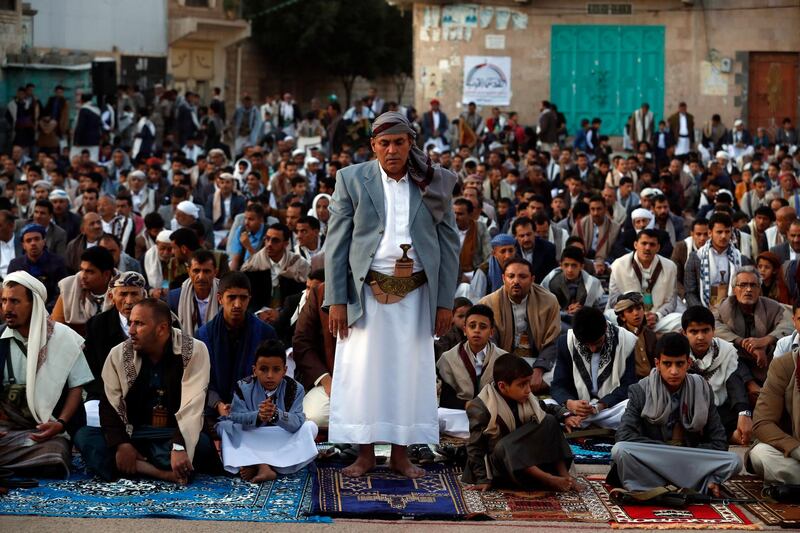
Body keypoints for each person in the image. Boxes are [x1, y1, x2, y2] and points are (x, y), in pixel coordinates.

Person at [324, 110, 460, 478]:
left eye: (399, 142)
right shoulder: (352, 179)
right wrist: (336, 299)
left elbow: (449, 245)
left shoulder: (434, 182)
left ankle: (401, 455)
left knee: (409, 373)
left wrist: (445, 302)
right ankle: (365, 454)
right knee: (364, 373)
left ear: (410, 143)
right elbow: (336, 243)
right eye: (384, 143)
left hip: (416, 295)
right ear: (373, 146)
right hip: (365, 292)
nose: (392, 150)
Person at [80, 299, 222, 482]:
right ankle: (163, 473)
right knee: (85, 437)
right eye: (130, 322)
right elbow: (109, 404)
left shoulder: (193, 350)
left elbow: (193, 405)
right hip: (134, 434)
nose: (131, 330)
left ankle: (136, 467)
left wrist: (179, 447)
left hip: (174, 433)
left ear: (162, 329)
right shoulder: (119, 354)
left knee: (201, 445)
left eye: (138, 324)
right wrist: (122, 444)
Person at [610, 333, 741, 496]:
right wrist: (666, 450)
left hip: (688, 456)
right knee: (620, 450)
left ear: (689, 363)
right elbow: (623, 435)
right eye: (667, 364)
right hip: (655, 457)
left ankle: (657, 485)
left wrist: (685, 452)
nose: (674, 371)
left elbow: (719, 441)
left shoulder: (702, 389)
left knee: (735, 461)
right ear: (657, 363)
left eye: (680, 364)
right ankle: (697, 484)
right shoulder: (640, 390)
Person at [0, 271, 91, 477]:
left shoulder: (64, 338)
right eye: (4, 301)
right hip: (7, 429)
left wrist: (60, 424)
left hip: (45, 431)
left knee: (55, 454)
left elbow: (77, 388)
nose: (7, 308)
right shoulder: (0, 337)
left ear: (34, 304)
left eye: (15, 301)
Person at [462, 354, 582, 491]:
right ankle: (548, 479)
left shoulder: (526, 397)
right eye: (522, 385)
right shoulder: (480, 407)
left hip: (527, 457)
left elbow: (546, 407)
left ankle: (565, 476)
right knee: (505, 446)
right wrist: (482, 479)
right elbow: (474, 447)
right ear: (502, 386)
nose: (528, 390)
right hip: (502, 467)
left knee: (548, 420)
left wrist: (565, 415)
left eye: (528, 382)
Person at [216, 339, 318, 481]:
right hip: (254, 435)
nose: (270, 375)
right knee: (226, 427)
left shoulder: (295, 388)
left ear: (285, 370)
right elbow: (236, 416)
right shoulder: (243, 386)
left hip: (283, 436)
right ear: (255, 370)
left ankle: (256, 463)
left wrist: (276, 415)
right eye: (264, 369)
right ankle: (264, 465)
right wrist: (258, 416)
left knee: (310, 427)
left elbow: (297, 422)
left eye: (276, 369)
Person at [196, 272, 276, 425]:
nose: (238, 304)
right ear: (220, 299)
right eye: (231, 297)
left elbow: (272, 377)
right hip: (214, 411)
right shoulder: (203, 336)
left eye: (243, 298)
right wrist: (218, 404)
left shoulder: (266, 333)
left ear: (249, 299)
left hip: (257, 409)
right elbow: (201, 381)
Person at [480, 258, 561, 393]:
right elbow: (489, 345)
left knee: (564, 368)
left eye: (522, 276)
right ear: (503, 278)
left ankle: (516, 388)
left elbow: (552, 341)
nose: (516, 281)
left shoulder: (548, 301)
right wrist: (506, 369)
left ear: (532, 279)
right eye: (511, 276)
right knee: (484, 374)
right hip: (503, 362)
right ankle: (524, 388)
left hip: (538, 361)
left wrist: (539, 370)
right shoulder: (488, 303)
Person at [713, 266, 793, 398]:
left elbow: (789, 323)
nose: (748, 289)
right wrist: (744, 343)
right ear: (734, 289)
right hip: (738, 362)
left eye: (753, 285)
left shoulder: (772, 306)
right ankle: (750, 386)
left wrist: (765, 341)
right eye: (743, 285)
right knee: (726, 351)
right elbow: (714, 325)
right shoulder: (724, 306)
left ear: (759, 289)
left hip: (766, 361)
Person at [552, 306, 637, 429]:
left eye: (597, 343)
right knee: (545, 404)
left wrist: (600, 406)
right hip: (576, 408)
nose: (592, 349)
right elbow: (558, 385)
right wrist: (570, 403)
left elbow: (628, 385)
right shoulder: (566, 342)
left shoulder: (625, 341)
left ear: (605, 328)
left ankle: (578, 422)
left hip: (610, 407)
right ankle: (579, 419)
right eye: (587, 345)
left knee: (632, 406)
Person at [681, 305, 752, 445]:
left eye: (705, 330)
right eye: (693, 332)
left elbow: (735, 386)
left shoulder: (726, 351)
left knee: (736, 417)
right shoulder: (679, 353)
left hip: (720, 411)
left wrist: (744, 414)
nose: (700, 337)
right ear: (684, 333)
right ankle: (729, 438)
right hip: (687, 411)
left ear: (713, 331)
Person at [608, 229, 682, 333]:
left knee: (679, 320)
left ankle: (643, 333)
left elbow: (671, 301)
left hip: (656, 318)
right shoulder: (618, 265)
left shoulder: (670, 267)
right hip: (628, 317)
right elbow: (613, 300)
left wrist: (656, 316)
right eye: (644, 243)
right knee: (608, 316)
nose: (647, 248)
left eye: (652, 244)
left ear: (658, 248)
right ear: (635, 245)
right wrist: (633, 314)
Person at [437, 304, 508, 410]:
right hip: (459, 412)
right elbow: (445, 398)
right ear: (465, 330)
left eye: (483, 327)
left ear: (491, 332)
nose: (477, 330)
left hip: (494, 411)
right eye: (472, 326)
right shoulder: (448, 359)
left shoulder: (504, 358)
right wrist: (467, 405)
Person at [748, 343, 800, 485]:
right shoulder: (785, 365)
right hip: (793, 452)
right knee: (761, 454)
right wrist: (796, 449)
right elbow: (762, 423)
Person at [685, 213, 751, 311]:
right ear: (710, 233)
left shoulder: (741, 259)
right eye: (719, 232)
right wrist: (701, 312)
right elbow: (690, 292)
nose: (724, 236)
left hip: (734, 310)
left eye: (727, 232)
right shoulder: (696, 257)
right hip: (702, 310)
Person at [292, 281, 336, 429]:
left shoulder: (378, 291)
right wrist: (326, 380)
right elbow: (301, 342)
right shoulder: (321, 292)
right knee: (313, 416)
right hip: (330, 380)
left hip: (371, 383)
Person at [240, 223, 309, 314]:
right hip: (257, 314)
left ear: (285, 244)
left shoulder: (298, 264)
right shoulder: (253, 265)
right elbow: (248, 299)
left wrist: (281, 313)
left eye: (275, 241)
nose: (269, 244)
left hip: (290, 315)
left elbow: (303, 297)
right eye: (267, 239)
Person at [51, 246, 114, 336]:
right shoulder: (69, 288)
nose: (83, 276)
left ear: (106, 275)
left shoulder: (123, 290)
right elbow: (55, 328)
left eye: (90, 272)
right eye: (82, 270)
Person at [7, 223, 68, 312]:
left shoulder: (58, 263)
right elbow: (10, 292)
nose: (33, 243)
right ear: (23, 245)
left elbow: (61, 292)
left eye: (37, 239)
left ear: (44, 241)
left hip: (51, 311)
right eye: (28, 240)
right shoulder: (15, 265)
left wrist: (43, 311)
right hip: (22, 311)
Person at [540, 245, 604, 328]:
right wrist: (566, 312)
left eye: (574, 265)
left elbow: (596, 309)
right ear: (561, 265)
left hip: (585, 319)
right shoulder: (552, 282)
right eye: (566, 265)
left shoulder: (592, 283)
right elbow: (546, 309)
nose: (569, 270)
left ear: (581, 266)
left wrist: (582, 310)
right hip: (559, 319)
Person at [167, 249, 219, 336]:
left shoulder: (225, 296)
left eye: (206, 271)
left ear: (215, 272)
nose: (201, 277)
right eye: (196, 271)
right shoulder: (175, 297)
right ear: (188, 271)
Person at [613, 292, 658, 379]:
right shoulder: (619, 337)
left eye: (639, 308)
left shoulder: (651, 335)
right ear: (623, 317)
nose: (636, 313)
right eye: (630, 311)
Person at [572, 195, 620, 267]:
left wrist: (603, 263)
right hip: (582, 263)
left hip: (606, 264)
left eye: (599, 209)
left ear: (605, 209)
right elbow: (573, 249)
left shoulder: (615, 227)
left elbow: (616, 253)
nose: (595, 213)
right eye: (592, 209)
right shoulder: (579, 225)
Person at [468, 233, 517, 301]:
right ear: (494, 253)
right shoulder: (484, 271)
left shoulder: (521, 268)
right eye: (503, 251)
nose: (508, 256)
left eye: (511, 251)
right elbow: (475, 299)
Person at [511, 216, 557, 285]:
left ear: (535, 233)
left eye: (529, 234)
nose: (526, 239)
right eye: (522, 236)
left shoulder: (548, 248)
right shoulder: (511, 250)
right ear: (516, 237)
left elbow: (551, 277)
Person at [671, 218, 709, 297]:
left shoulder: (716, 248)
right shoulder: (681, 247)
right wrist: (686, 295)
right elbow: (674, 278)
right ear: (692, 234)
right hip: (685, 293)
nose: (702, 238)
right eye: (698, 234)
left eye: (706, 234)